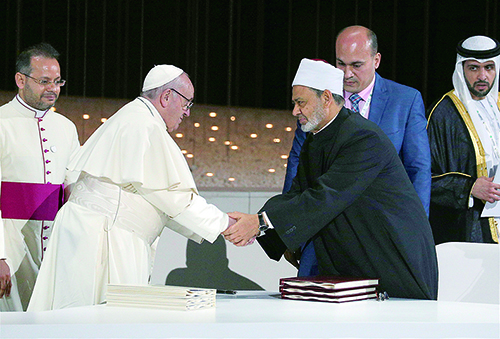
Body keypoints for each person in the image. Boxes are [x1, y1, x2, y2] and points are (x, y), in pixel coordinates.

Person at [224, 58, 438, 300]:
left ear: (326, 98)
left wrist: (261, 222)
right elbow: (298, 193)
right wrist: (265, 229)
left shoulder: (363, 138)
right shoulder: (317, 137)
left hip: (391, 258)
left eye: (300, 103)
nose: (295, 111)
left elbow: (326, 196)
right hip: (356, 257)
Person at [28, 65, 235, 311]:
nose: (187, 113)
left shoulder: (132, 117)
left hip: (92, 231)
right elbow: (174, 198)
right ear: (167, 97)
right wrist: (226, 224)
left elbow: (158, 202)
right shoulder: (144, 126)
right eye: (187, 103)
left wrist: (220, 225)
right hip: (105, 239)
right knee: (97, 320)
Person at [284, 25, 431, 276]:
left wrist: (413, 232)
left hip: (381, 237)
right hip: (324, 233)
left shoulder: (405, 100)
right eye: (340, 64)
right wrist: (290, 229)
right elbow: (298, 164)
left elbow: (418, 170)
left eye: (356, 65)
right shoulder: (319, 99)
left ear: (376, 60)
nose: (347, 74)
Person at [0, 43, 80, 311]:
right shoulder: (2, 123)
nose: (53, 88)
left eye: (57, 81)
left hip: (56, 251)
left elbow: (75, 188)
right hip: (11, 247)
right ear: (20, 80)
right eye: (44, 81)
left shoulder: (66, 128)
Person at [427, 35, 500, 244]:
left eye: (489, 68)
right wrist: (469, 188)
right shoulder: (443, 114)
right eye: (474, 68)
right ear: (462, 69)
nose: (482, 76)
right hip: (468, 229)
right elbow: (423, 178)